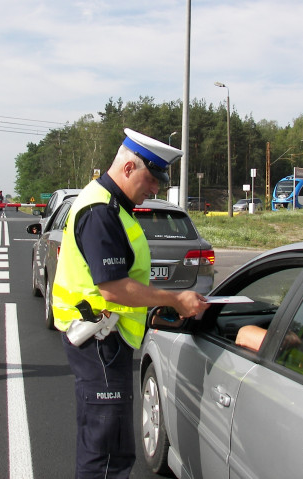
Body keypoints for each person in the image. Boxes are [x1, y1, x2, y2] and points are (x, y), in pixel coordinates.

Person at [51, 128, 210, 478]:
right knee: (107, 453)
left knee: (106, 445)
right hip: (99, 343)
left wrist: (157, 305)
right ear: (127, 168)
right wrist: (175, 299)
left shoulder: (113, 208)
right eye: (151, 179)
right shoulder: (101, 212)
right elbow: (113, 288)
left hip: (104, 341)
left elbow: (125, 281)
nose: (155, 189)